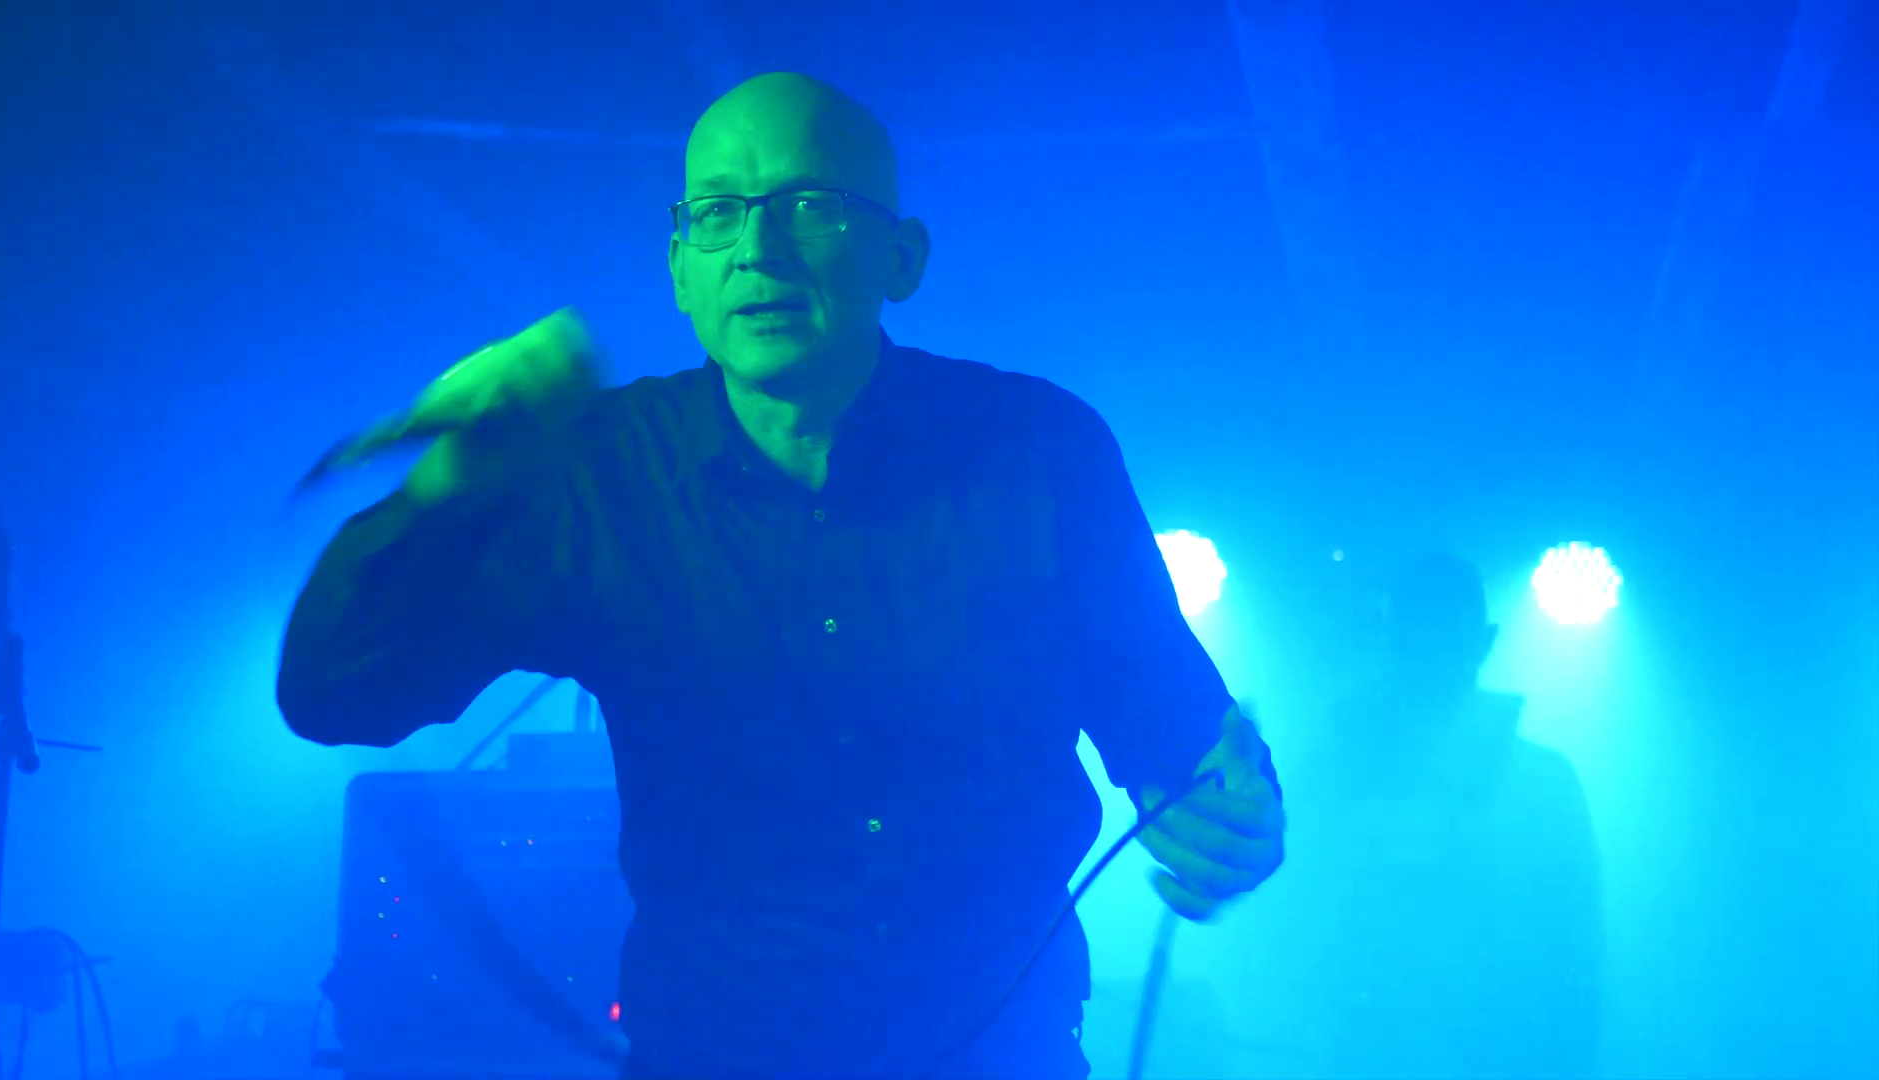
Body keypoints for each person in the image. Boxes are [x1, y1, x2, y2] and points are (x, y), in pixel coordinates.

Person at [277, 72, 1285, 1079]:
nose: (757, 249)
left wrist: (1234, 817)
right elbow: (336, 696)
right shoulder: (599, 470)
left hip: (999, 1052)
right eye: (718, 212)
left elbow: (1185, 740)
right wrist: (448, 488)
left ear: (902, 258)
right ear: (680, 267)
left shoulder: (1038, 452)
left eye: (809, 205)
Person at [1292, 552, 1602, 1079]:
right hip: (1374, 1052)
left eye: (1440, 633)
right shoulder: (1328, 773)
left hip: (1497, 1055)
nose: (1428, 650)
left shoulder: (1545, 783)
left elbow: (1575, 948)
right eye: (1417, 632)